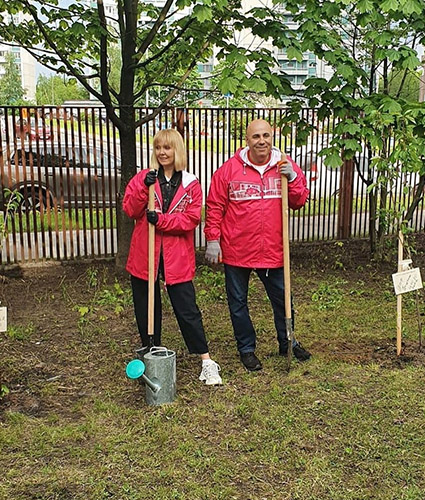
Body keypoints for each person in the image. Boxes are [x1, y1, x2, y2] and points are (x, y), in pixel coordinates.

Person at [204, 119, 311, 372]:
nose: (261, 141)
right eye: (255, 137)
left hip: (273, 250)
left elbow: (299, 200)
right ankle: (247, 349)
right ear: (247, 140)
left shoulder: (285, 165)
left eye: (266, 135)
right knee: (238, 303)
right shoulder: (229, 170)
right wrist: (212, 239)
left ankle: (288, 341)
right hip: (236, 250)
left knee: (284, 301)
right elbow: (215, 206)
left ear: (272, 137)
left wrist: (294, 178)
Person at [123, 129, 222, 385]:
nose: (162, 153)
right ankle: (151, 353)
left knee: (187, 309)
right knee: (146, 309)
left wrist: (163, 221)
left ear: (177, 150)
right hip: (146, 255)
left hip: (176, 257)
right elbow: (130, 210)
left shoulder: (191, 183)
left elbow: (191, 219)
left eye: (167, 148)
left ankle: (206, 361)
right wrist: (142, 190)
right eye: (158, 148)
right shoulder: (145, 178)